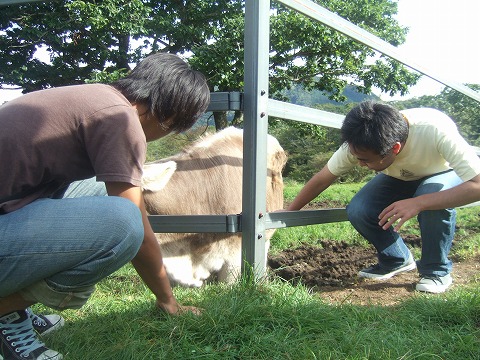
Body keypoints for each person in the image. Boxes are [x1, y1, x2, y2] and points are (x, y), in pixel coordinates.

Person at [0, 52, 210, 360]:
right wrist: (167, 299)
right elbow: (133, 222)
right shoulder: (120, 119)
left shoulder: (98, 97)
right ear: (168, 116)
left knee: (100, 193)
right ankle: (8, 309)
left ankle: (10, 308)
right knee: (122, 222)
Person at [288, 101, 480, 295]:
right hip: (398, 176)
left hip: (443, 172)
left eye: (365, 160)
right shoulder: (360, 142)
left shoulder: (434, 130)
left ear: (394, 148)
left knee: (431, 198)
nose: (360, 164)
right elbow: (323, 178)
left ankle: (436, 271)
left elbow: (478, 185)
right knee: (359, 209)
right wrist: (289, 212)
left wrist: (419, 203)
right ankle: (396, 259)